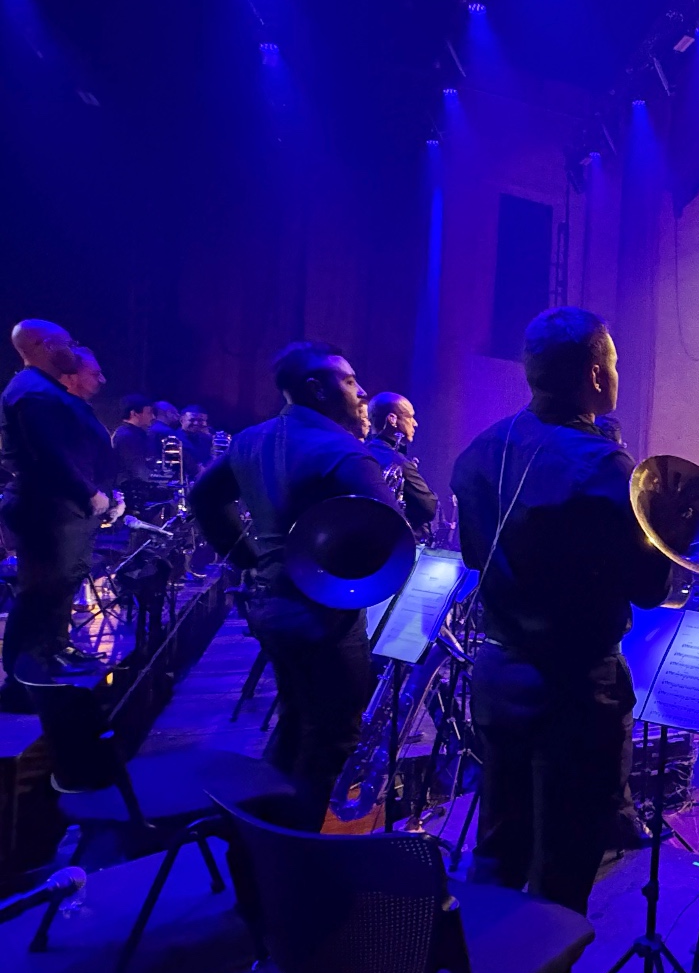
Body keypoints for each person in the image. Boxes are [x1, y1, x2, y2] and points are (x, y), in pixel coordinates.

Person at [451, 307, 672, 914]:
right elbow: (649, 589)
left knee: (498, 847)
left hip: (497, 676)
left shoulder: (478, 451)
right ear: (598, 377)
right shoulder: (602, 465)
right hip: (574, 691)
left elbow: (475, 555)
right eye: (615, 364)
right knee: (564, 867)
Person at [191, 342, 395, 829]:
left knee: (295, 720)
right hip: (324, 616)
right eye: (348, 380)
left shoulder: (250, 439)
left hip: (268, 606)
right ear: (315, 389)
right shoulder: (345, 451)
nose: (362, 390)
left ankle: (258, 839)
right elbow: (392, 533)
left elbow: (204, 497)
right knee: (332, 739)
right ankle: (290, 859)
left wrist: (247, 558)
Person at [0, 321, 116, 693]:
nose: (74, 348)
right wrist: (88, 492)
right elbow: (50, 454)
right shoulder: (33, 391)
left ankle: (50, 655)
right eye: (69, 342)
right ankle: (21, 685)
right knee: (39, 593)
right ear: (48, 346)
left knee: (59, 586)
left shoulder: (44, 388)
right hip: (47, 507)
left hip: (61, 505)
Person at [365, 392, 438, 538]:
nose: (415, 423)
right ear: (392, 419)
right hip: (398, 543)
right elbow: (429, 507)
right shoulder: (399, 462)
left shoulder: (361, 452)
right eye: (410, 417)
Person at [111, 394, 157, 512]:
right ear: (134, 413)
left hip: (135, 490)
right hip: (131, 495)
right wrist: (161, 481)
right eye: (149, 412)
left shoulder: (134, 434)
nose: (153, 417)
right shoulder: (127, 436)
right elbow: (137, 470)